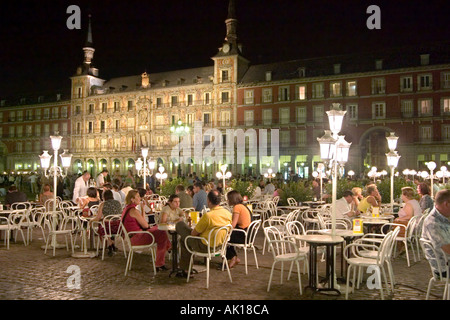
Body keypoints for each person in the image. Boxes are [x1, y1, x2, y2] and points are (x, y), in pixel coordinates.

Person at [175, 190, 232, 278]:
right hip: (219, 246)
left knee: (181, 228)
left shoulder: (208, 216)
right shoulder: (228, 214)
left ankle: (186, 269)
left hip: (204, 245)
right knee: (184, 239)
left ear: (208, 201)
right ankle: (186, 269)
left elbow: (193, 233)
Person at [121, 189, 171, 271]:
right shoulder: (133, 211)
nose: (139, 198)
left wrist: (143, 209)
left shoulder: (128, 209)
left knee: (159, 229)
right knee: (161, 232)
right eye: (137, 197)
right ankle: (165, 254)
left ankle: (167, 250)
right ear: (132, 199)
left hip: (133, 236)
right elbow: (145, 225)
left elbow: (143, 222)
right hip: (137, 237)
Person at [421, 189, 450, 279]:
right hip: (444, 267)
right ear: (447, 204)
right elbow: (447, 248)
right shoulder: (433, 223)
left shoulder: (444, 217)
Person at [90, 189, 123, 256]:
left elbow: (98, 217)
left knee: (102, 227)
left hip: (107, 227)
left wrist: (91, 220)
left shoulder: (103, 204)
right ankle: (112, 244)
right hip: (118, 226)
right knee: (110, 228)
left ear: (104, 197)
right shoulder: (118, 203)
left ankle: (110, 244)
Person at [225, 190, 252, 268]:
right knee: (228, 236)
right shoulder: (242, 206)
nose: (227, 200)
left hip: (243, 235)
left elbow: (233, 224)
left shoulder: (237, 207)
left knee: (224, 237)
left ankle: (232, 257)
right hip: (248, 234)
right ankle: (234, 257)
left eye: (228, 199)